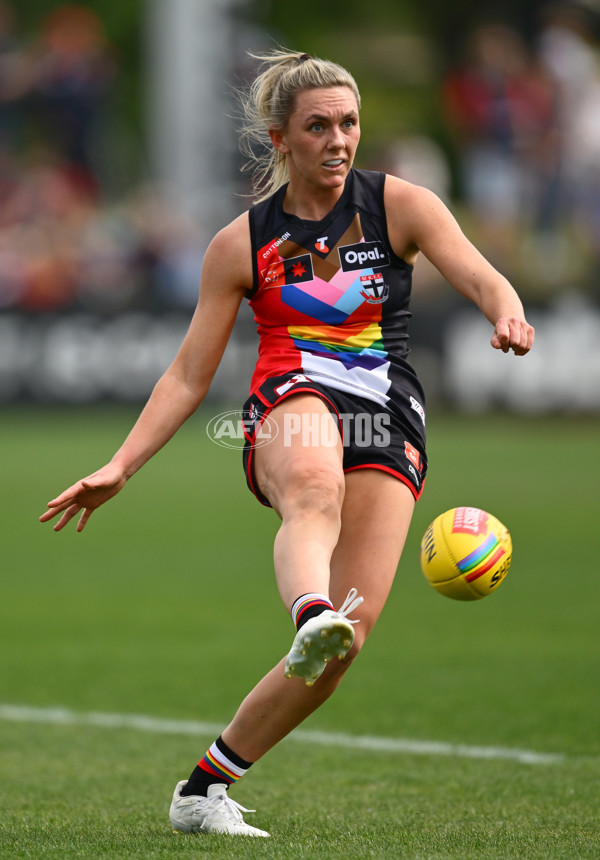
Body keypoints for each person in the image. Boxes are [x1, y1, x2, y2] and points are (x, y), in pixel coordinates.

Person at [40, 48, 535, 838]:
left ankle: (203, 790)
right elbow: (185, 377)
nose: (338, 140)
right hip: (290, 394)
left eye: (348, 123)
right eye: (317, 127)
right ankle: (309, 609)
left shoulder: (400, 204)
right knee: (313, 490)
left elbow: (481, 274)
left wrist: (504, 312)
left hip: (385, 409)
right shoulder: (240, 244)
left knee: (348, 641)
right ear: (280, 139)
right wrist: (120, 465)